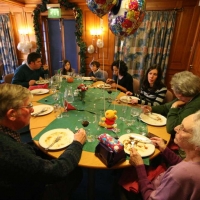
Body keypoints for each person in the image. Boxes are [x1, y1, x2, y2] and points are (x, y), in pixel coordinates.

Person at [0, 83, 87, 199]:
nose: (32, 110)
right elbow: (57, 171)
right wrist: (77, 143)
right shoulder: (9, 150)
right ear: (12, 114)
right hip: (26, 193)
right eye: (28, 106)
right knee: (76, 173)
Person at [125, 111, 200, 200]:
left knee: (122, 175)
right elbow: (181, 163)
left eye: (183, 129)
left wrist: (139, 166)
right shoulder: (194, 161)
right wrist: (164, 149)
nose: (176, 128)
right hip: (163, 185)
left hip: (151, 191)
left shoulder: (180, 174)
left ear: (197, 145)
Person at [142, 71, 200, 137]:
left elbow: (171, 128)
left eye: (173, 89)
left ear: (180, 94)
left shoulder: (195, 105)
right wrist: (151, 108)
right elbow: (165, 107)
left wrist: (174, 107)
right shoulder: (186, 95)